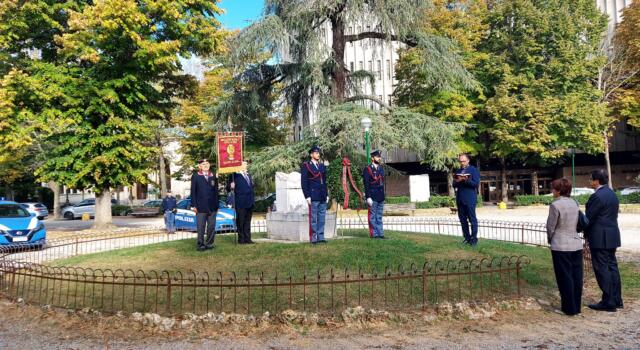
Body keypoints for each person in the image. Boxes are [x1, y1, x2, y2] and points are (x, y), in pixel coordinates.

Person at [585, 169, 623, 312]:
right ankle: (617, 299)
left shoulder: (597, 196)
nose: (590, 182)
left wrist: (585, 234)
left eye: (591, 179)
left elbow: (589, 218)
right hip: (612, 235)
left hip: (600, 237)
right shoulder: (612, 194)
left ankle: (608, 301)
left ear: (596, 181)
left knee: (602, 268)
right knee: (612, 267)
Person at [546, 178, 584, 316]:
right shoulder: (575, 202)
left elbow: (551, 226)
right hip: (576, 243)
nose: (552, 191)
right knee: (576, 276)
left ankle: (568, 308)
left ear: (558, 190)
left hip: (560, 244)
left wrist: (550, 239)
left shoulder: (555, 205)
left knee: (564, 276)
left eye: (553, 189)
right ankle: (577, 306)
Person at [301, 145, 328, 244]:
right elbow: (304, 182)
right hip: (313, 195)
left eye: (318, 153)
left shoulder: (321, 166)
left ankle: (321, 236)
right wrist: (307, 196)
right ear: (311, 154)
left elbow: (324, 181)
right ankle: (314, 237)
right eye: (316, 153)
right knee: (313, 218)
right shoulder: (306, 166)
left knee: (321, 217)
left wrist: (327, 194)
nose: (318, 154)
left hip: (322, 195)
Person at [190, 159, 219, 251]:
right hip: (200, 207)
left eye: (207, 163)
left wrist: (217, 205)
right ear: (200, 166)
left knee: (211, 226)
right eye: (203, 164)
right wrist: (193, 205)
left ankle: (210, 244)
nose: (206, 165)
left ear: (209, 165)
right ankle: (201, 244)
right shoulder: (195, 176)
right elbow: (193, 192)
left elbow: (216, 191)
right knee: (201, 227)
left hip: (212, 207)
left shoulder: (213, 176)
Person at [452, 153, 480, 246]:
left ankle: (474, 239)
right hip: (460, 198)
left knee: (472, 219)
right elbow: (453, 185)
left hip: (470, 198)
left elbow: (475, 184)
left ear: (468, 160)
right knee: (462, 220)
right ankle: (466, 238)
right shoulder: (458, 170)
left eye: (463, 161)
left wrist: (466, 180)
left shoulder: (473, 170)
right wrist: (457, 180)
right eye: (460, 161)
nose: (462, 163)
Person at [226, 161, 255, 244]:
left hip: (250, 202)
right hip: (240, 202)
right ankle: (241, 239)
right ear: (239, 165)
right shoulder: (234, 175)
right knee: (240, 221)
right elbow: (227, 188)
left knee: (247, 222)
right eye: (244, 164)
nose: (246, 165)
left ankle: (248, 239)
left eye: (246, 164)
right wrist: (230, 186)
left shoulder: (248, 175)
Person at [363, 150, 386, 239]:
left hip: (380, 196)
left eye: (379, 157)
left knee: (379, 216)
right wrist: (368, 197)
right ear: (372, 158)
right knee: (373, 217)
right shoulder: (368, 169)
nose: (379, 158)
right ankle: (375, 234)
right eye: (377, 157)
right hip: (372, 196)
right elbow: (366, 184)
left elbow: (382, 183)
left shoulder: (380, 169)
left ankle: (381, 234)